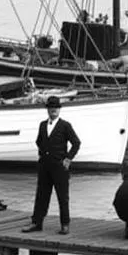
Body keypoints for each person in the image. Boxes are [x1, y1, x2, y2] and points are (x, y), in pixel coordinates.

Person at [22, 95, 81, 234]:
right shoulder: (43, 125)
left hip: (59, 166)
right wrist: (43, 154)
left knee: (62, 196)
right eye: (51, 108)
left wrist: (68, 159)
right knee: (41, 195)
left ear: (59, 109)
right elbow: (39, 141)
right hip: (44, 165)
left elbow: (76, 143)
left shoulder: (65, 125)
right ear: (47, 110)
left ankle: (65, 224)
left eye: (55, 108)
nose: (53, 110)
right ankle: (37, 222)